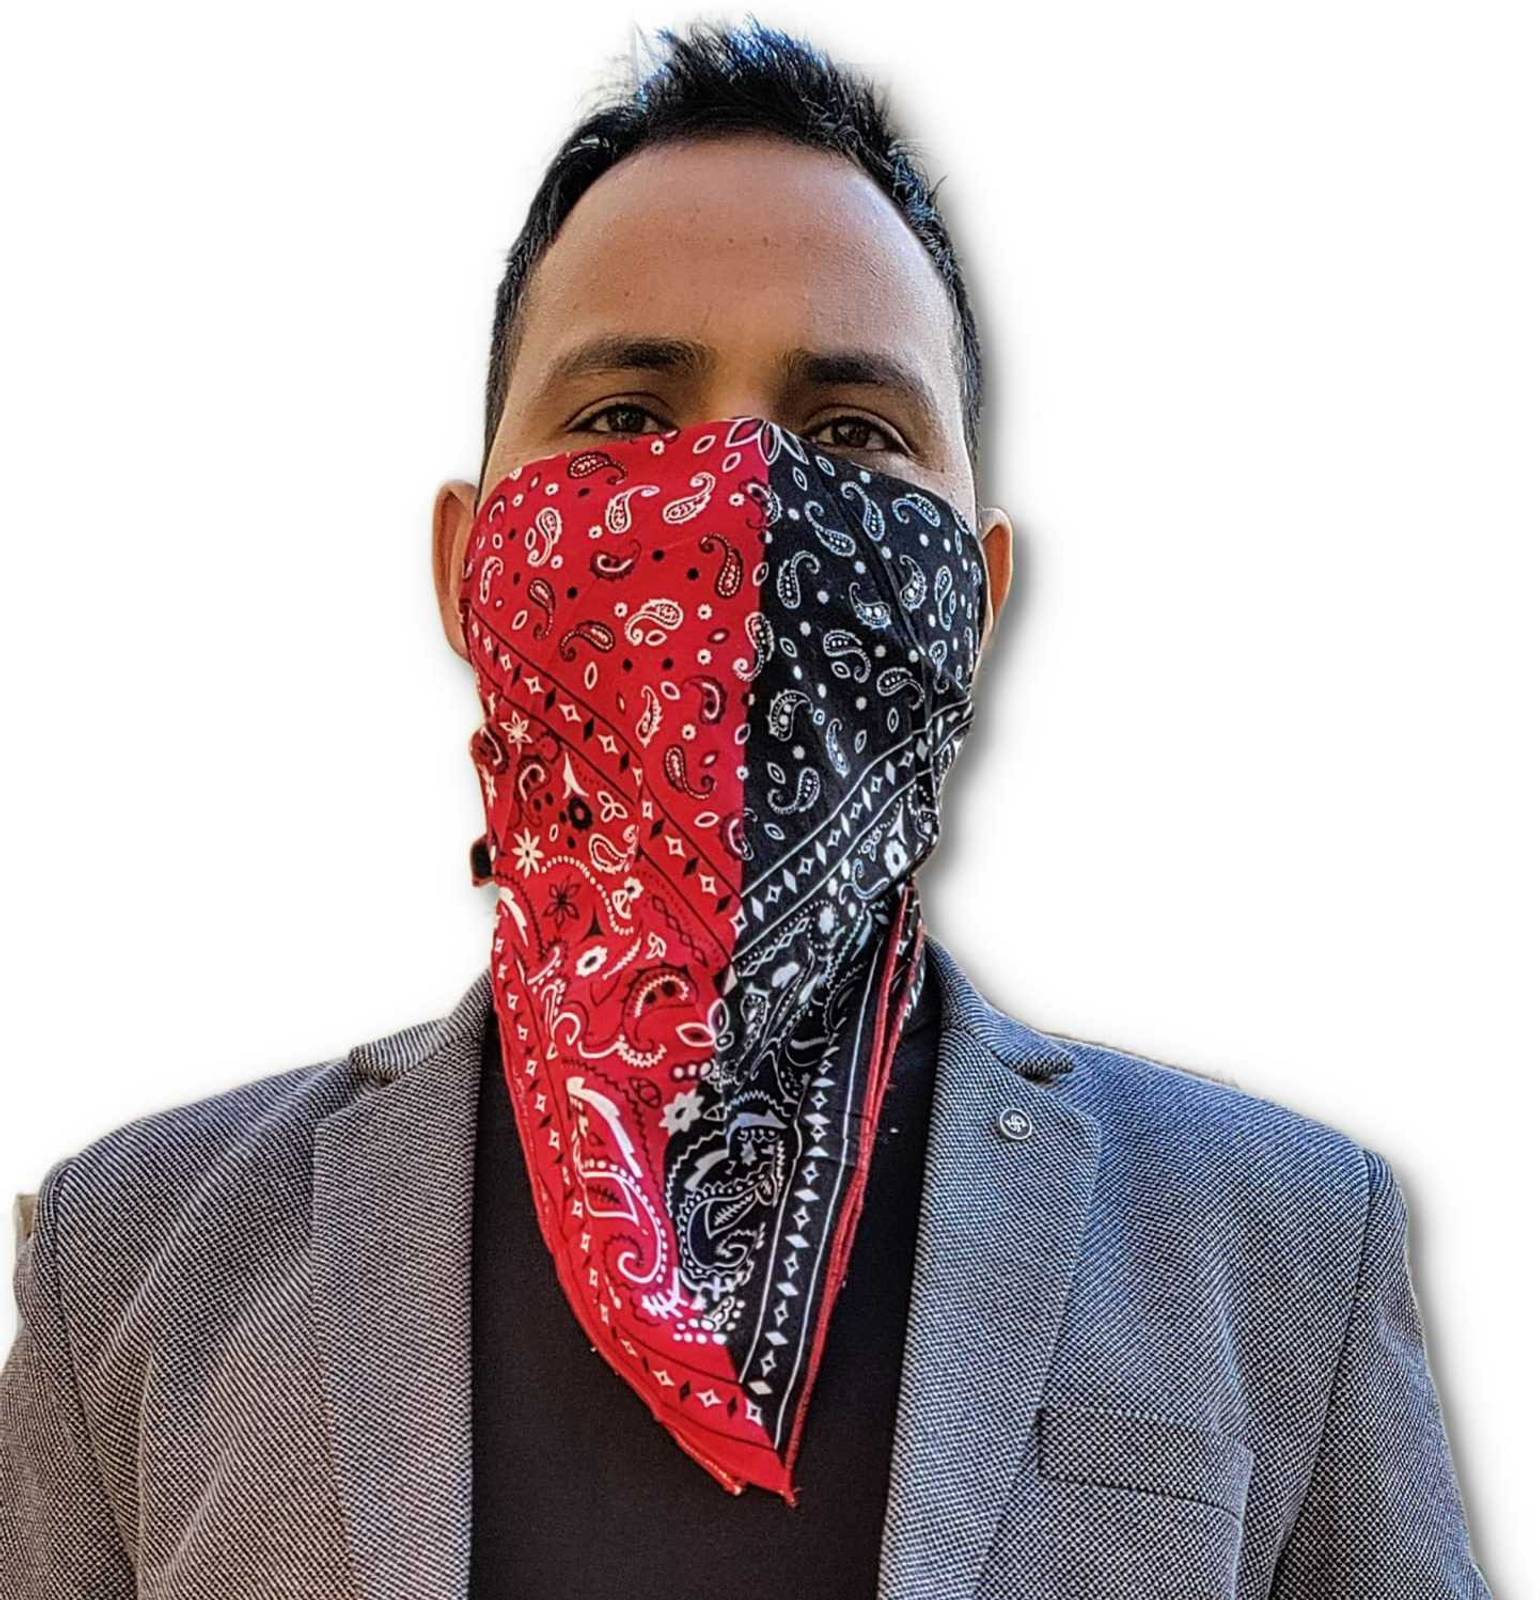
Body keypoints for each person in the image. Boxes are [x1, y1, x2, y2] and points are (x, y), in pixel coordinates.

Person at [1, 18, 1493, 1599]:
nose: (738, 512)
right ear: (467, 564)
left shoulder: (1275, 1247)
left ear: (974, 599)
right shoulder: (141, 1270)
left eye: (852, 433)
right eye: (624, 417)